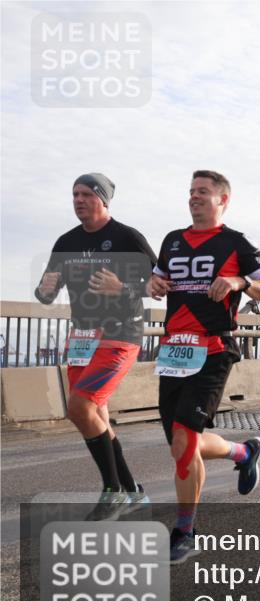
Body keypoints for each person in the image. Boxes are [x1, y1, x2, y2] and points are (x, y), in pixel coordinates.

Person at [148, 170, 260, 564]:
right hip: (173, 351)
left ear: (223, 200)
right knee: (180, 445)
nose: (194, 197)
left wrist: (239, 282)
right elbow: (157, 281)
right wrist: (153, 286)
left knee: (185, 441)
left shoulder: (235, 242)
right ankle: (242, 453)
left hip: (214, 349)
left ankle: (185, 531)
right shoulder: (173, 240)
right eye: (191, 191)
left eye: (203, 192)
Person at [35, 173, 157, 521]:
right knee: (95, 415)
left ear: (103, 199)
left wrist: (122, 287)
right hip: (82, 338)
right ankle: (131, 490)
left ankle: (113, 491)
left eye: (87, 194)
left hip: (120, 334)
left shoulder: (126, 237)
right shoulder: (66, 242)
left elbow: (162, 283)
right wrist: (45, 289)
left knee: (79, 407)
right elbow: (45, 294)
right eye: (74, 194)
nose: (78, 200)